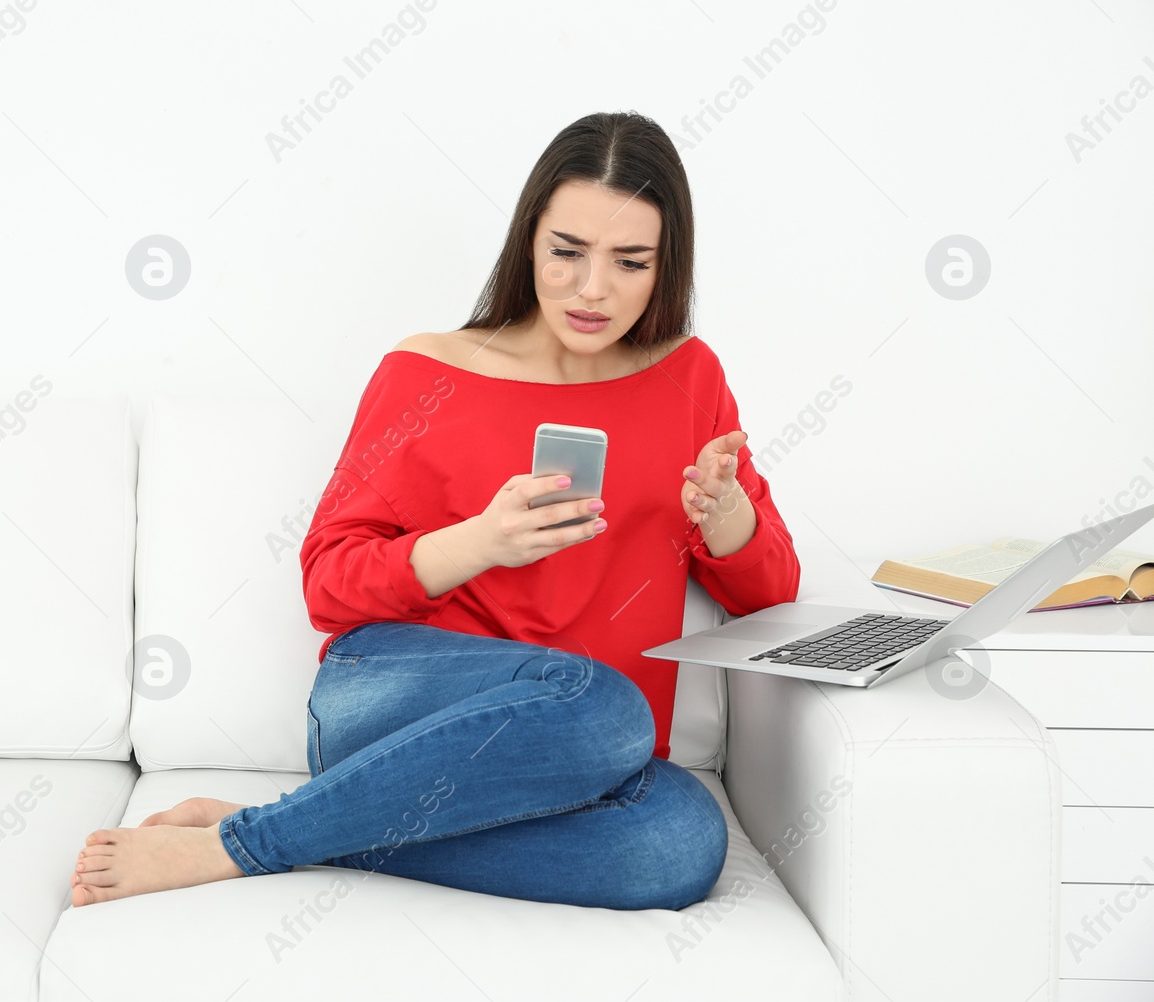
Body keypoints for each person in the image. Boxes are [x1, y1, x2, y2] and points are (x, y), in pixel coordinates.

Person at [68, 111, 800, 910]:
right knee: (603, 703)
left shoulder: (688, 378)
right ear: (529, 243)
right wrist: (481, 541)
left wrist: (726, 514)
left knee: (681, 844)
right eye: (567, 252)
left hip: (576, 760)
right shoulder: (426, 371)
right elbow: (327, 584)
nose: (594, 289)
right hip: (388, 707)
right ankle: (251, 845)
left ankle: (313, 827)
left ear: (667, 268)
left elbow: (771, 600)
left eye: (630, 262)